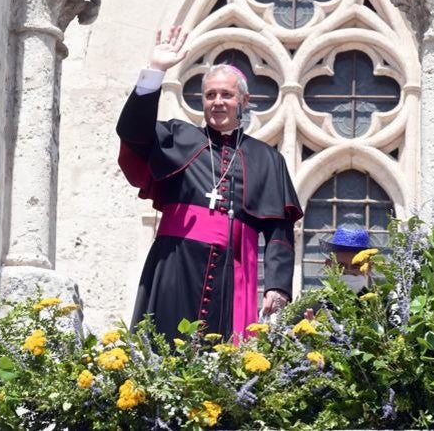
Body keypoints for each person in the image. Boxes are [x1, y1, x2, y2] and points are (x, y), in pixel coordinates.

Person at [116, 26, 302, 340]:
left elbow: (279, 232)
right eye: (210, 94)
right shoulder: (179, 137)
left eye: (226, 95)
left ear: (244, 100)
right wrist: (156, 71)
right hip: (174, 264)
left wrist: (277, 285)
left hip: (235, 270)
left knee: (225, 361)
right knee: (164, 347)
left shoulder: (266, 159)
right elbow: (133, 132)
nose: (217, 102)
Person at [320, 224, 373, 292]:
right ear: (329, 266)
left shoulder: (379, 301)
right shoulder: (318, 302)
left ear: (369, 267)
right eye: (340, 266)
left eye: (356, 266)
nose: (348, 272)